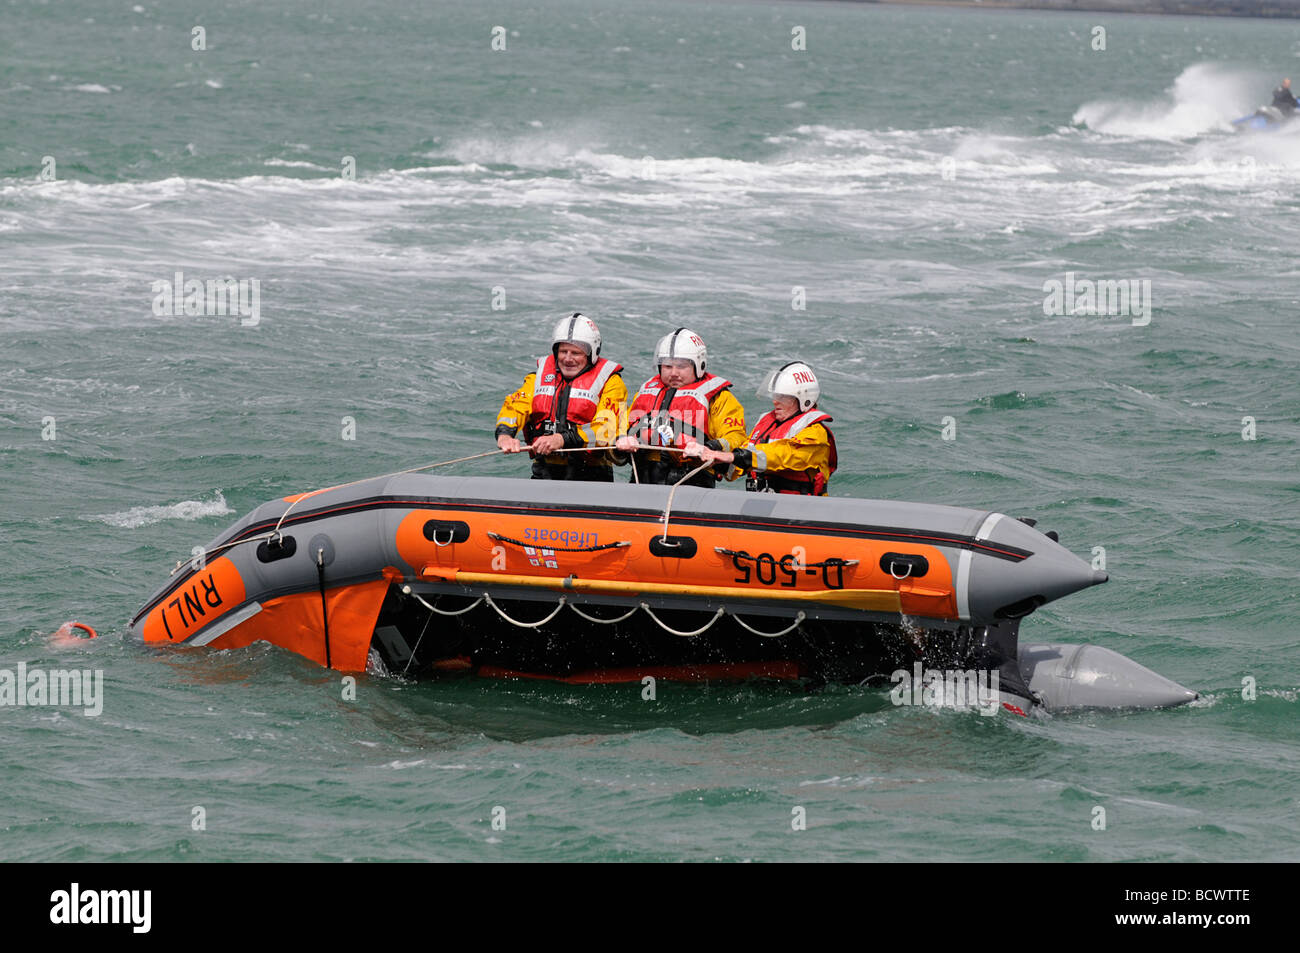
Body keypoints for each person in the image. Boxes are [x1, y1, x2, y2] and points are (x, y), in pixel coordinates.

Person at [495, 313, 626, 481]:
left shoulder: (612, 383)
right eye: (563, 351)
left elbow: (607, 428)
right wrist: (505, 435)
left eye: (576, 353)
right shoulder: (537, 379)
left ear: (592, 353)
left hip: (592, 473)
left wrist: (562, 439)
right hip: (545, 470)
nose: (568, 359)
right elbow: (515, 407)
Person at [613, 327, 746, 487]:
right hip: (642, 478)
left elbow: (736, 437)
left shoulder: (719, 397)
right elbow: (625, 426)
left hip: (692, 480)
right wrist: (623, 439)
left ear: (699, 365)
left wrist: (709, 448)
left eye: (681, 366)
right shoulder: (647, 390)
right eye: (667, 366)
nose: (674, 373)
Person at [684, 361, 837, 495]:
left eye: (783, 397)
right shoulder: (767, 422)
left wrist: (733, 456)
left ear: (804, 399)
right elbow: (742, 461)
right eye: (775, 396)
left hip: (799, 507)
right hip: (765, 502)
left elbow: (782, 454)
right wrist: (719, 461)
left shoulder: (815, 433)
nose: (776, 402)